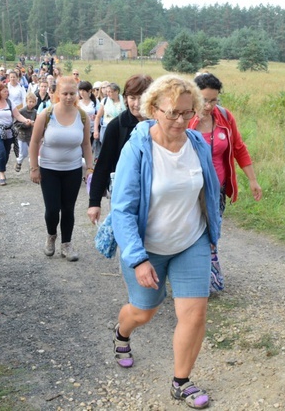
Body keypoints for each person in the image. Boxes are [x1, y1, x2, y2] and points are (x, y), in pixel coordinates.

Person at [110, 74, 221, 409]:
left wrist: (212, 235)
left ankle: (181, 382)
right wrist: (137, 257)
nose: (180, 120)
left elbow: (210, 192)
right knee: (144, 312)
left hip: (191, 241)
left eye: (187, 113)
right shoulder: (138, 148)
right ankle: (122, 333)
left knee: (195, 314)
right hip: (147, 248)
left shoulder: (197, 144)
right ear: (153, 109)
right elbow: (122, 209)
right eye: (172, 112)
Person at [188, 72, 262, 292]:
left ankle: (209, 278)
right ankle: (189, 276)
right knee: (191, 230)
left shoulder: (225, 118)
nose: (209, 106)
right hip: (189, 189)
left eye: (213, 100)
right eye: (204, 100)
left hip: (216, 189)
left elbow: (239, 148)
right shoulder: (183, 117)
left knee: (212, 231)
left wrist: (252, 180)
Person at [28, 75, 93, 262]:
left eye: (72, 93)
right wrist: (34, 168)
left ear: (78, 94)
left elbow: (87, 145)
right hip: (49, 169)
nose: (69, 97)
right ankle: (51, 236)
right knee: (52, 208)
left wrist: (89, 167)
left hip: (72, 169)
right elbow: (33, 142)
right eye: (64, 93)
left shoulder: (82, 116)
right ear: (57, 94)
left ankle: (67, 244)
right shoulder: (46, 115)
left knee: (68, 208)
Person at [86, 74, 153, 225]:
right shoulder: (117, 126)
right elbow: (104, 163)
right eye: (132, 98)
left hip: (155, 193)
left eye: (142, 98)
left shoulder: (161, 124)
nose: (137, 104)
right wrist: (94, 202)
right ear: (125, 98)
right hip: (124, 193)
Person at [15, 92, 38, 173]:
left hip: (31, 136)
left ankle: (33, 168)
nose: (31, 104)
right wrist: (25, 124)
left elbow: (37, 122)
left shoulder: (35, 112)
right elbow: (16, 124)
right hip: (23, 136)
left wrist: (34, 124)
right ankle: (19, 162)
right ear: (26, 101)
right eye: (30, 101)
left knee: (33, 153)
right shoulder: (21, 111)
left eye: (33, 102)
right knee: (23, 153)